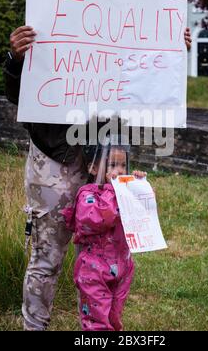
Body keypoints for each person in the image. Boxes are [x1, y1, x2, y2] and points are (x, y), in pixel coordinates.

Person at [3, 0, 192, 331]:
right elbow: (18, 97)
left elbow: (140, 78)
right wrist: (16, 59)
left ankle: (97, 328)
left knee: (103, 253)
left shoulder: (116, 24)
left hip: (102, 162)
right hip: (53, 158)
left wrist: (171, 50)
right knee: (47, 254)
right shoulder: (39, 27)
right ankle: (34, 325)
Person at [62, 142, 147, 331]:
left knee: (114, 317)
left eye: (123, 165)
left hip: (122, 267)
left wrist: (140, 186)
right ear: (93, 167)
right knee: (96, 320)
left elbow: (145, 211)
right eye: (112, 165)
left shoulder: (126, 191)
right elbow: (100, 217)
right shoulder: (88, 195)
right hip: (94, 272)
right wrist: (114, 191)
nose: (119, 171)